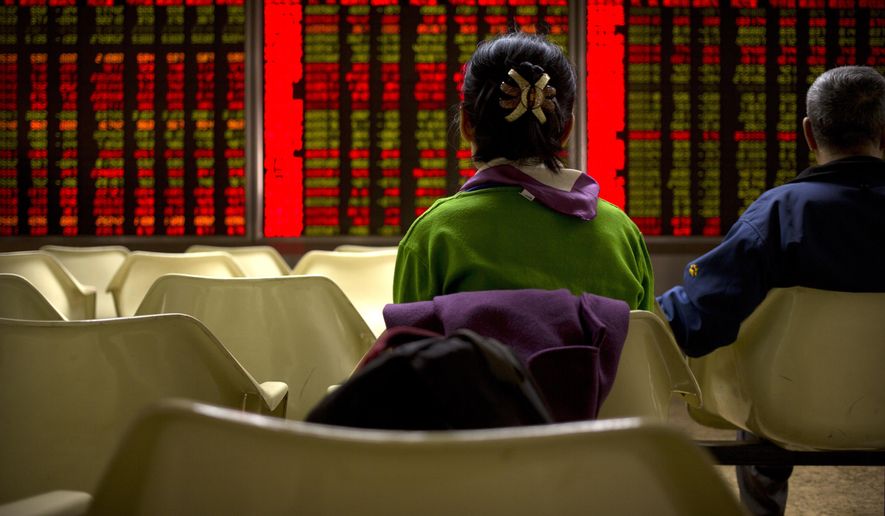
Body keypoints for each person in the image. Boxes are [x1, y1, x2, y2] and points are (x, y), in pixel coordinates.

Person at [657, 65, 885, 515]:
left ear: (809, 134)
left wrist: (641, 310)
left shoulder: (779, 214)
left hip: (789, 410)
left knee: (756, 377)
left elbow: (697, 321)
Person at [393, 31, 654, 310]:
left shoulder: (433, 236)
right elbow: (645, 347)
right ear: (566, 130)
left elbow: (409, 349)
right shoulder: (622, 235)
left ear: (466, 124)